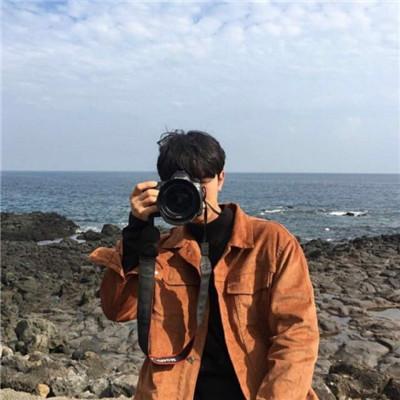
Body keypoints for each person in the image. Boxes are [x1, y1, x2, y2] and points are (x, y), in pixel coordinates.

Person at [88, 130, 320, 400]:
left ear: (221, 178)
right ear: (164, 188)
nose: (193, 191)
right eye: (181, 184)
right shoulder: (158, 251)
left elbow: (297, 335)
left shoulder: (271, 243)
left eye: (202, 180)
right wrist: (135, 234)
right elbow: (117, 310)